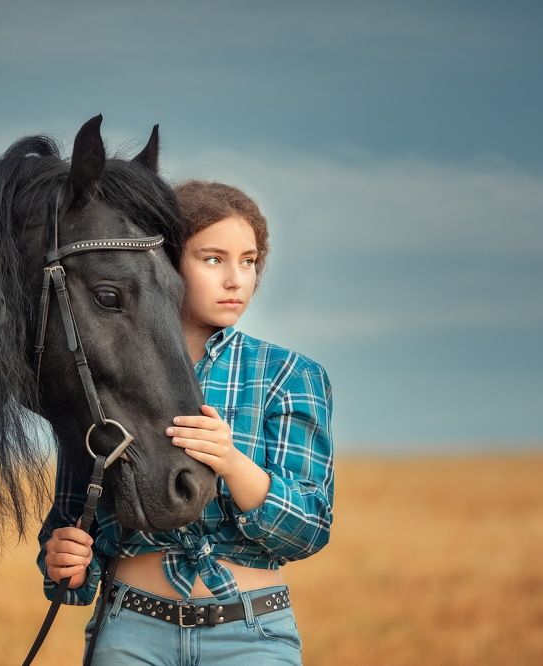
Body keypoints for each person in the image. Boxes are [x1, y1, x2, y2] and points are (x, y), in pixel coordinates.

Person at [37, 181, 334, 664]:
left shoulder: (289, 375)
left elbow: (308, 530)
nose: (236, 279)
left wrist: (232, 463)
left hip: (251, 633)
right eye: (213, 259)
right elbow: (71, 526)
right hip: (130, 631)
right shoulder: (101, 378)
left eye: (249, 260)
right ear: (165, 261)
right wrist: (65, 561)